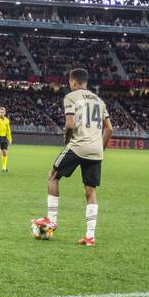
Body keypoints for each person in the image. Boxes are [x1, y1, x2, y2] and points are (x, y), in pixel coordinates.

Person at [41, 69, 112, 246]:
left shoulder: (71, 97)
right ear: (86, 82)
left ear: (73, 82)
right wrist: (100, 148)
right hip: (96, 150)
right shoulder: (99, 101)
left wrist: (67, 141)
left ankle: (51, 221)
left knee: (53, 175)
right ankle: (90, 236)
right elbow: (110, 129)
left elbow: (70, 124)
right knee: (90, 191)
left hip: (78, 145)